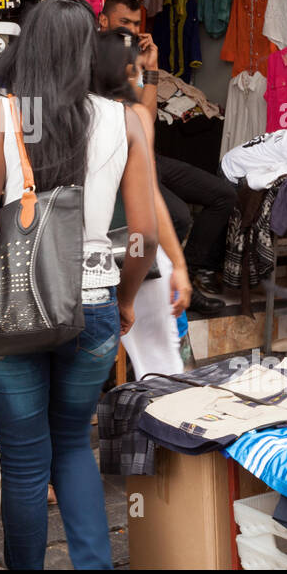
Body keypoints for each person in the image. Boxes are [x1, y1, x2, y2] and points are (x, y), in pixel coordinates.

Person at [0, 0, 159, 570]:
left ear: (28, 49)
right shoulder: (126, 119)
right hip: (94, 309)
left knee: (27, 461)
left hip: (18, 313)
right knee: (74, 450)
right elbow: (144, 235)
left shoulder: (7, 115)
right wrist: (126, 298)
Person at [98, 0, 235, 309]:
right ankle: (155, 284)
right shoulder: (98, 59)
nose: (132, 30)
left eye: (135, 23)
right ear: (103, 21)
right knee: (176, 215)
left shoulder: (134, 58)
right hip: (120, 162)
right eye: (124, 22)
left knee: (223, 195)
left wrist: (153, 68)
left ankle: (187, 273)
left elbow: (146, 118)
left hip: (145, 154)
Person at [93, 28, 192, 376]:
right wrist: (178, 266)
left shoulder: (76, 114)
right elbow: (150, 200)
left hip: (88, 262)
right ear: (123, 71)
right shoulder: (130, 117)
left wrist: (149, 69)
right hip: (136, 258)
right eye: (135, 68)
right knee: (163, 369)